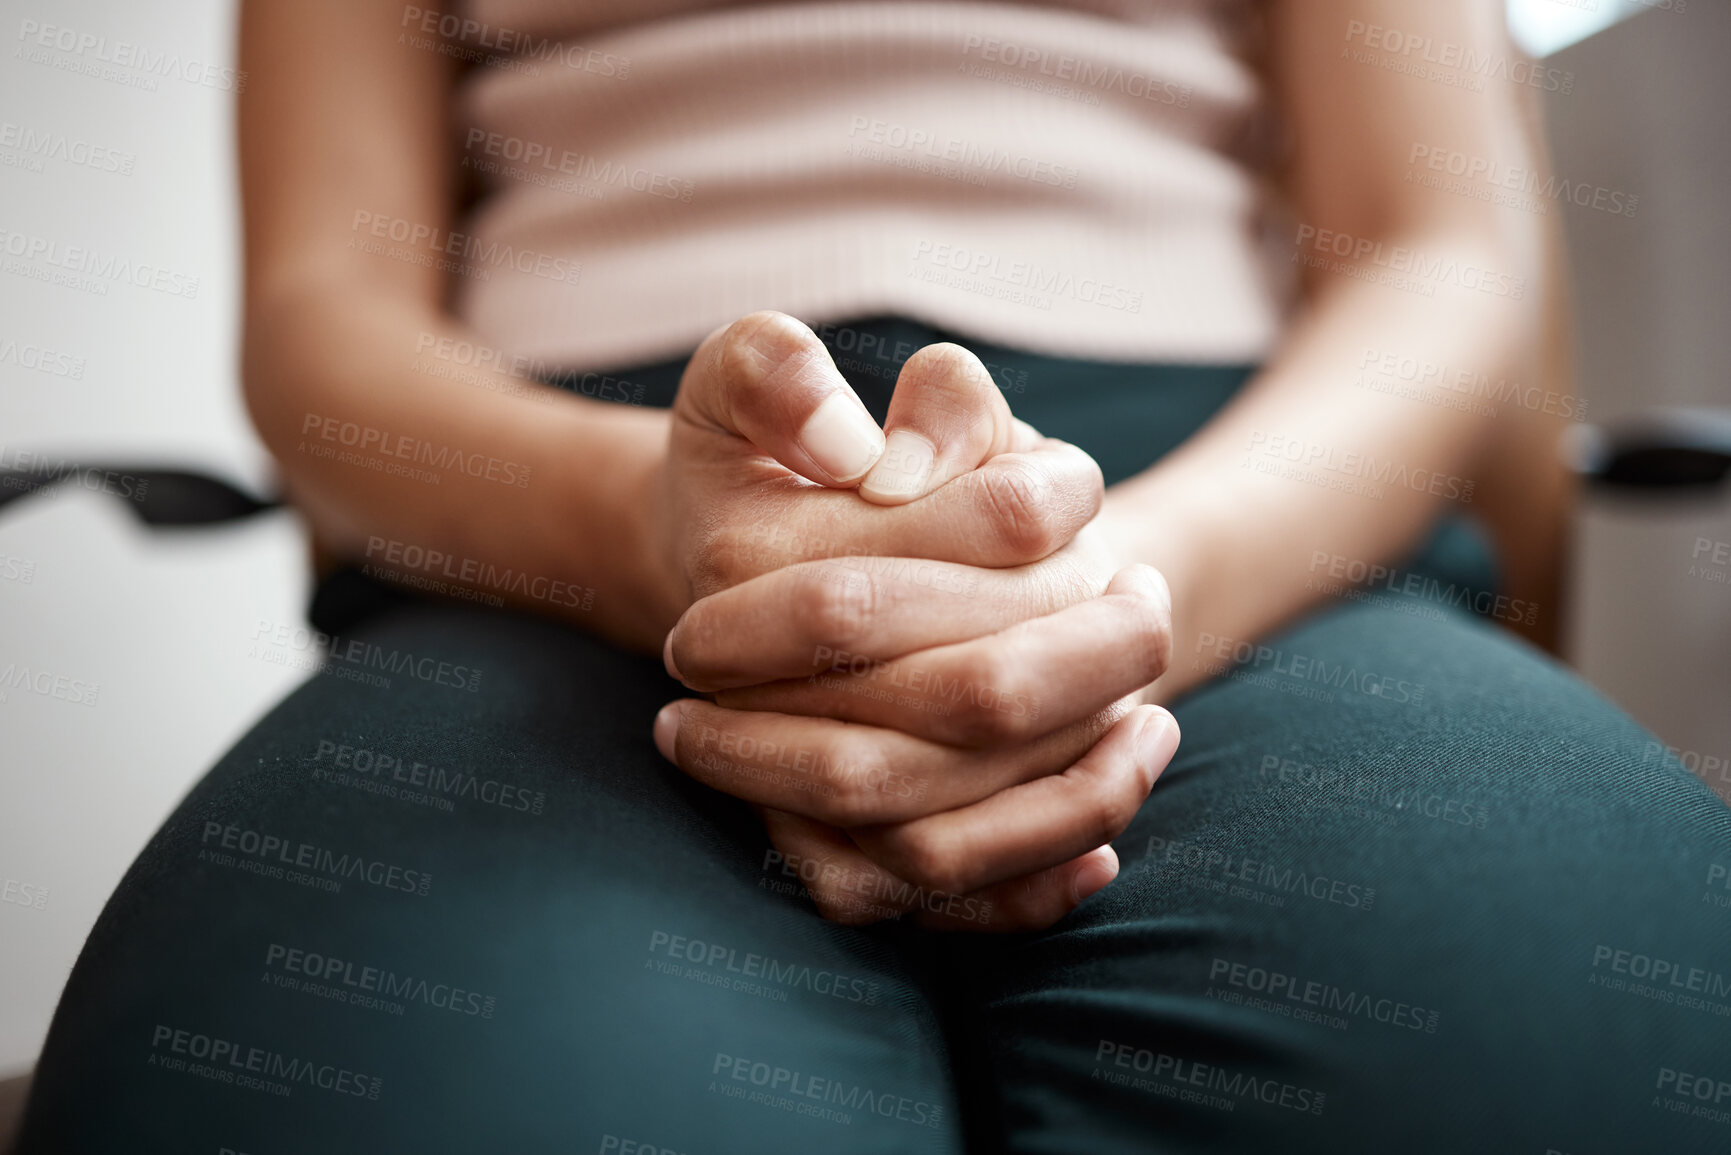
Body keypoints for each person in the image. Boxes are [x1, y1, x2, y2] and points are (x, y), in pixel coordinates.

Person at [18, 0, 1731, 1152]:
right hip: (559, 533)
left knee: (1569, 1045)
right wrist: (644, 532)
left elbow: (1434, 245)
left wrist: (1112, 586)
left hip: (1235, 514)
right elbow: (327, 309)